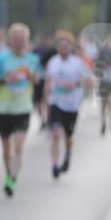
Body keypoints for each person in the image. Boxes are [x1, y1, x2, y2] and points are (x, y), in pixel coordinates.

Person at [0, 23, 42, 197]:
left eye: (22, 39)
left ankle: (12, 178)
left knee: (18, 146)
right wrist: (6, 79)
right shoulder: (2, 59)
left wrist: (34, 77)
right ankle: (8, 175)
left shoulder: (32, 59)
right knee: (6, 150)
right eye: (16, 39)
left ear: (27, 41)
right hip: (4, 109)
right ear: (11, 40)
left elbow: (38, 79)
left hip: (23, 108)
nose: (19, 42)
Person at [43, 30, 91, 178]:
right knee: (55, 134)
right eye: (61, 46)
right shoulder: (53, 62)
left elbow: (89, 81)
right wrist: (46, 101)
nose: (64, 48)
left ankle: (68, 154)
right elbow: (48, 82)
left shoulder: (78, 63)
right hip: (56, 103)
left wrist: (75, 84)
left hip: (72, 105)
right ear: (57, 47)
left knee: (68, 136)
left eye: (66, 46)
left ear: (71, 47)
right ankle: (54, 165)